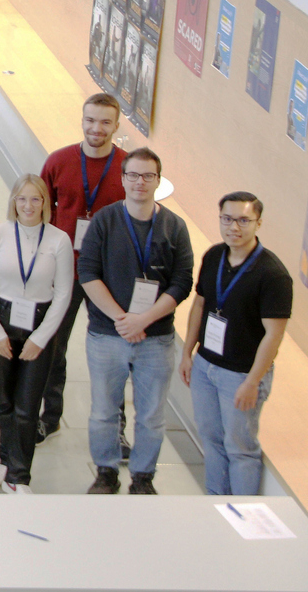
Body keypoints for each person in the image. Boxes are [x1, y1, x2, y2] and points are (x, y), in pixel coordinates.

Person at [77, 147, 193, 495]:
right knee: (103, 413)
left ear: (159, 181)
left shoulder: (174, 226)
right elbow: (87, 272)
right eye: (133, 175)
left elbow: (182, 282)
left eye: (148, 176)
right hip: (107, 335)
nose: (140, 182)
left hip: (155, 338)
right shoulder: (104, 221)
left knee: (152, 416)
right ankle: (106, 472)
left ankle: (143, 477)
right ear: (122, 179)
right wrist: (123, 319)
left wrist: (143, 319)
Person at [181, 191, 292, 496]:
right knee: (211, 439)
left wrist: (253, 382)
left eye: (244, 220)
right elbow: (200, 304)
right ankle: (217, 503)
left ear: (258, 223)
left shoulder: (272, 274)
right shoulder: (214, 255)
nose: (234, 227)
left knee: (240, 448)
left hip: (241, 376)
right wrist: (188, 353)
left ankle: (243, 514)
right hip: (205, 366)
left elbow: (274, 335)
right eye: (227, 219)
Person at [0, 174, 73, 494]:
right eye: (22, 199)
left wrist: (40, 339)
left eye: (35, 199)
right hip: (2, 321)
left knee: (27, 406)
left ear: (45, 203)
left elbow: (63, 295)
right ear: (13, 201)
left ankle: (19, 477)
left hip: (39, 325)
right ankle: (6, 460)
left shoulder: (59, 240)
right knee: (5, 400)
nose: (28, 206)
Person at [36, 93, 125, 442]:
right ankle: (49, 417)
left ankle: (115, 430)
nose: (96, 128)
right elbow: (40, 212)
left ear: (116, 126)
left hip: (109, 278)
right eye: (90, 120)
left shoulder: (127, 168)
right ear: (82, 120)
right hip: (64, 273)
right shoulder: (59, 161)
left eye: (105, 122)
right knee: (52, 348)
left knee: (113, 357)